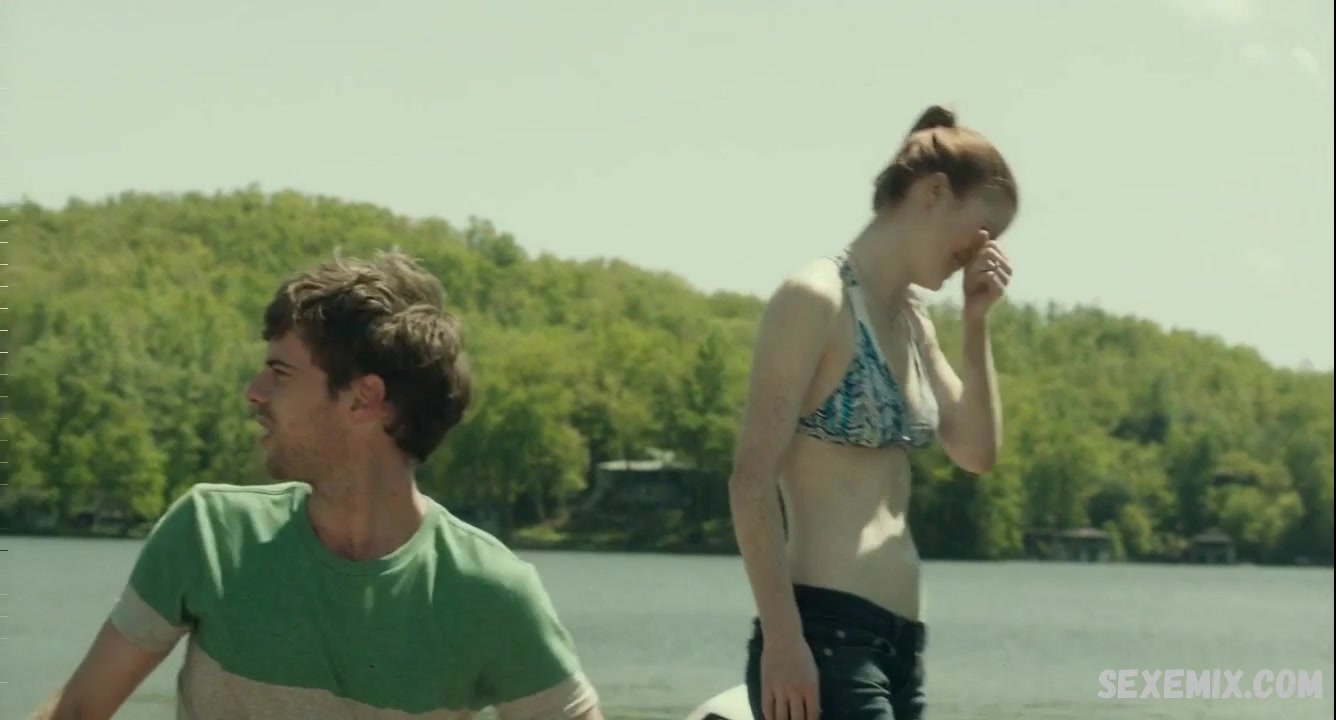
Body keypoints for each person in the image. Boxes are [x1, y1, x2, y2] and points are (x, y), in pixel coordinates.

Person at [30, 250, 604, 720]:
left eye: (280, 372)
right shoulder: (207, 535)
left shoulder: (490, 592)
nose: (254, 392)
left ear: (363, 399)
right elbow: (77, 711)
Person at [730, 105, 1017, 720]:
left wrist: (976, 320)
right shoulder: (816, 298)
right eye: (983, 229)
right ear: (934, 193)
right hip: (825, 638)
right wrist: (783, 641)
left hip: (900, 648)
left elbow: (977, 453)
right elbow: (750, 482)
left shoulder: (912, 320)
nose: (983, 251)